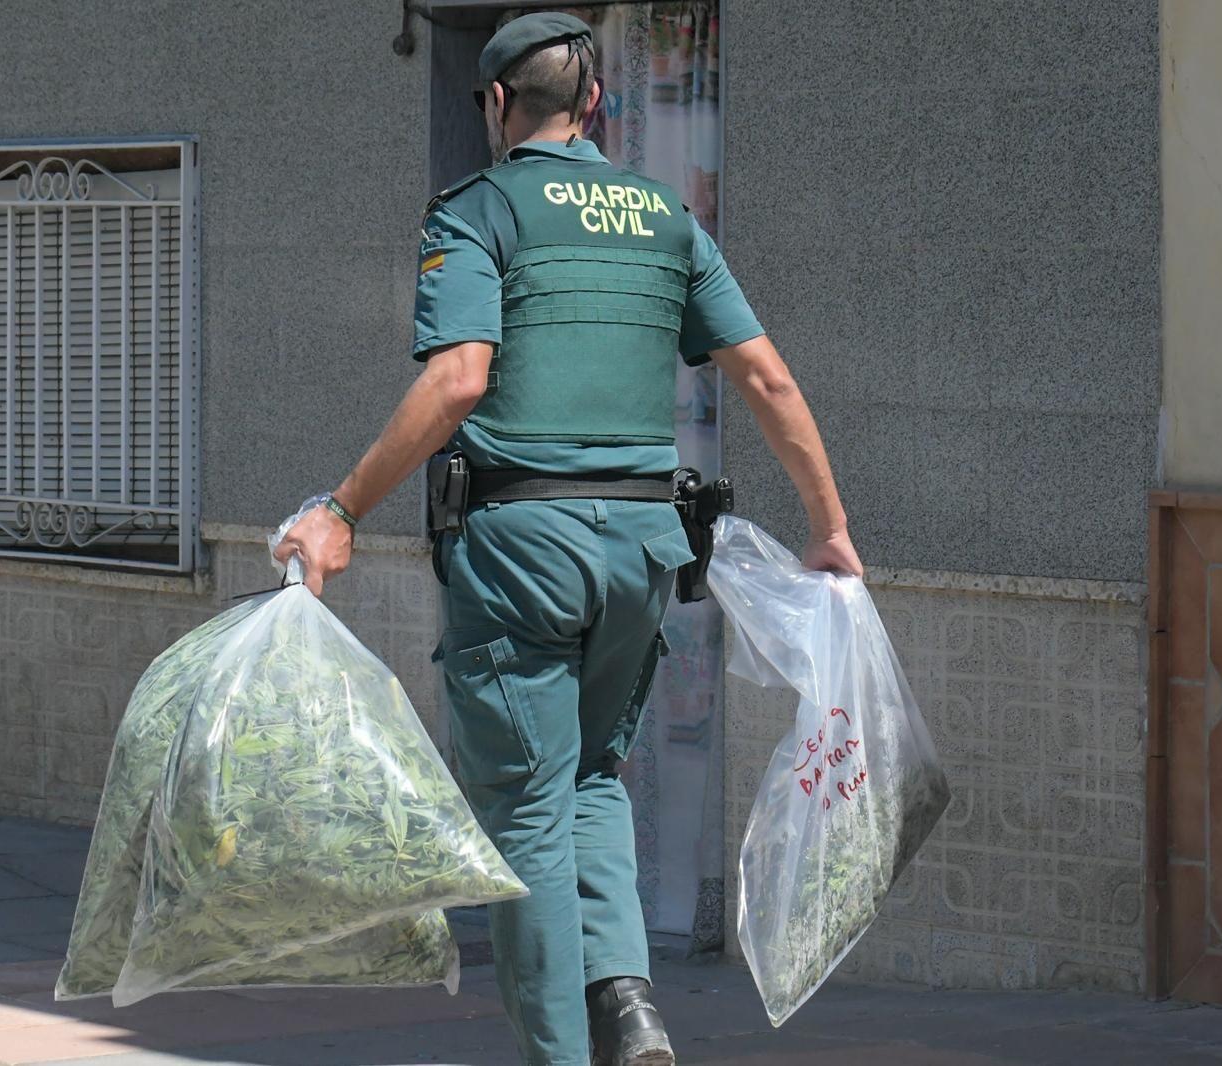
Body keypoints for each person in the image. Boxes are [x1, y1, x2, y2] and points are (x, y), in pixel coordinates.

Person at [275, 12, 862, 1065]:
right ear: (594, 104)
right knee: (591, 777)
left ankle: (556, 1051)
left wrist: (341, 509)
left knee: (528, 814)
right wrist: (830, 529)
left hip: (521, 549)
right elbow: (766, 377)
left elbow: (457, 376)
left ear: (498, 103)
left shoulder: (478, 209)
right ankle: (627, 1001)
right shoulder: (662, 217)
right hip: (644, 549)